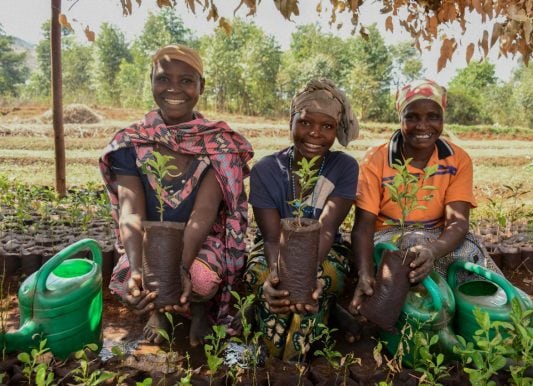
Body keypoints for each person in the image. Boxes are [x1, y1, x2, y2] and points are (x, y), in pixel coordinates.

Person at [99, 44, 253, 347]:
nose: (174, 88)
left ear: (201, 87)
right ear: (151, 81)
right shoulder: (130, 142)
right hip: (148, 241)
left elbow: (204, 212)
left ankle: (199, 312)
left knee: (201, 278)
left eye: (186, 80)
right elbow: (131, 213)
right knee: (128, 279)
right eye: (163, 78)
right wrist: (141, 271)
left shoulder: (218, 144)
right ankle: (157, 312)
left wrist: (180, 268)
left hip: (198, 240)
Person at [349, 78, 501, 314]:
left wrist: (434, 250)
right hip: (388, 237)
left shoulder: (457, 159)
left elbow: (458, 223)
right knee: (412, 249)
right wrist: (364, 273)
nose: (423, 126)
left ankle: (477, 315)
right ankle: (426, 316)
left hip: (439, 239)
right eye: (412, 117)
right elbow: (363, 226)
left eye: (432, 116)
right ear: (400, 118)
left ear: (442, 119)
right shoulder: (377, 159)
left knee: (471, 253)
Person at [243, 79, 359, 361]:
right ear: (291, 120)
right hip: (272, 251)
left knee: (309, 294)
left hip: (326, 252)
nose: (315, 134)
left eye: (327, 126)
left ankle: (293, 352)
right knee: (272, 288)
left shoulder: (344, 167)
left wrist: (303, 277)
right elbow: (271, 238)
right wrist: (277, 275)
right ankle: (304, 317)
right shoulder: (266, 170)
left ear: (336, 130)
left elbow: (327, 230)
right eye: (306, 122)